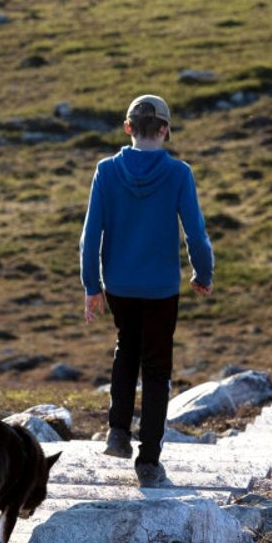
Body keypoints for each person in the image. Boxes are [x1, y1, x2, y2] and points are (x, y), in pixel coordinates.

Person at [79, 93, 214, 489]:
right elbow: (197, 235)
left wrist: (92, 286)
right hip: (160, 289)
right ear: (165, 130)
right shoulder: (178, 174)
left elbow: (91, 237)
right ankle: (149, 462)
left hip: (118, 285)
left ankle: (117, 431)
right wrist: (202, 275)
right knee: (156, 370)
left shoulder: (106, 171)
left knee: (126, 348)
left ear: (127, 128)